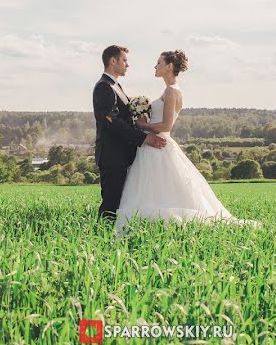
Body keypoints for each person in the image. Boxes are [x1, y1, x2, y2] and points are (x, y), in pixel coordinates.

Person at [115, 49, 261, 236]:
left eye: (159, 63)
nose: (155, 66)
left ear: (169, 66)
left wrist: (144, 125)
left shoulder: (171, 90)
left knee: (154, 189)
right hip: (154, 145)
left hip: (158, 145)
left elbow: (166, 125)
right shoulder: (170, 90)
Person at [93, 45, 166, 222]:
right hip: (112, 156)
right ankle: (102, 240)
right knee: (111, 204)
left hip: (120, 155)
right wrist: (143, 137)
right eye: (124, 60)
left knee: (119, 203)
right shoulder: (104, 87)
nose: (127, 65)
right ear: (113, 61)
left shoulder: (115, 85)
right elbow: (112, 122)